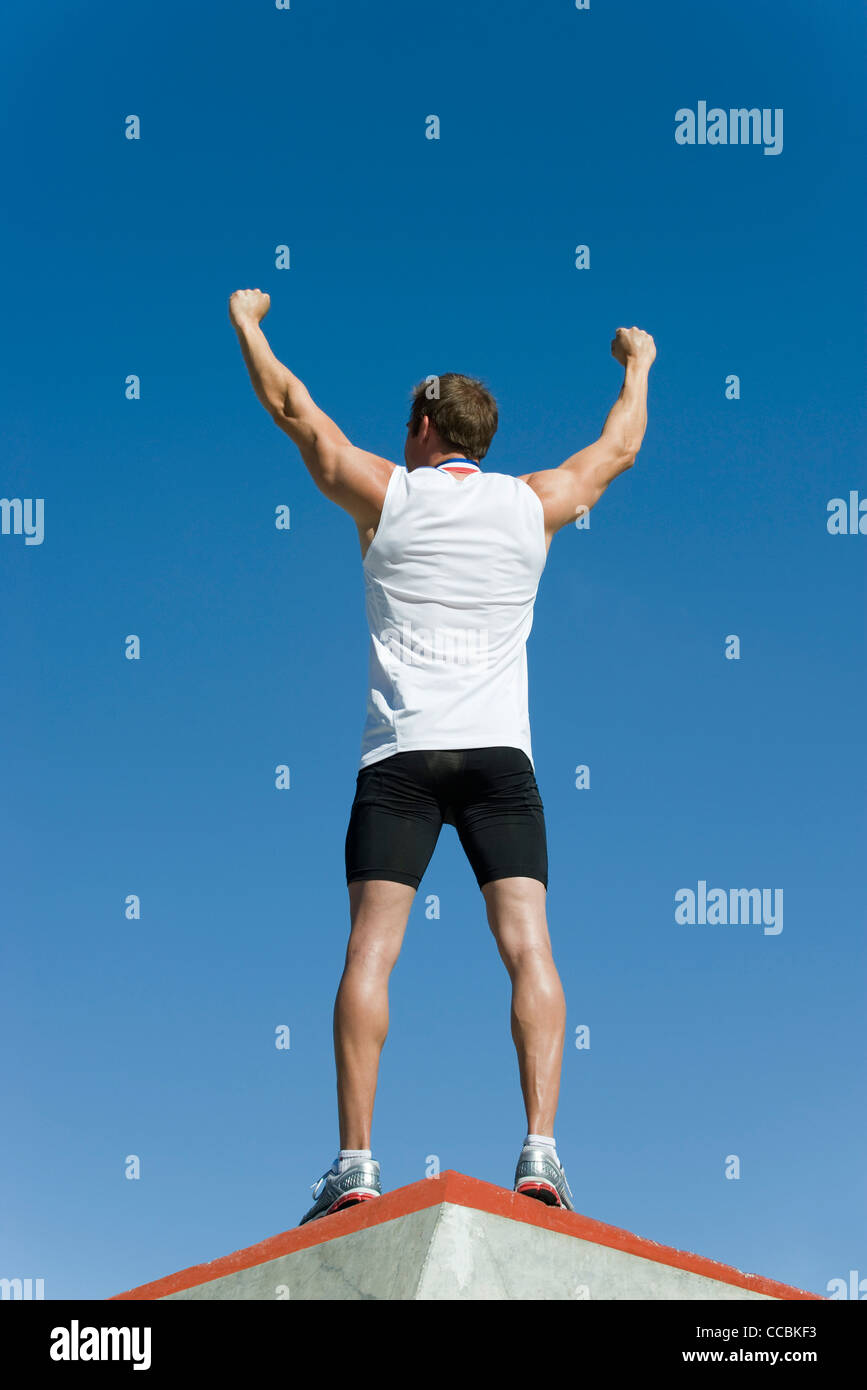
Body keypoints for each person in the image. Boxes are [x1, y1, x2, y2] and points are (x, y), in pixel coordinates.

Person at [229, 289, 655, 1224]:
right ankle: (541, 1152)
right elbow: (618, 449)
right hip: (500, 759)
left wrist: (251, 323)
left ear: (424, 426)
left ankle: (355, 1167)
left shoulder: (386, 493)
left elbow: (295, 411)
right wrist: (638, 364)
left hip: (401, 759)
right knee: (528, 947)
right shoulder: (532, 504)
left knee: (370, 954)